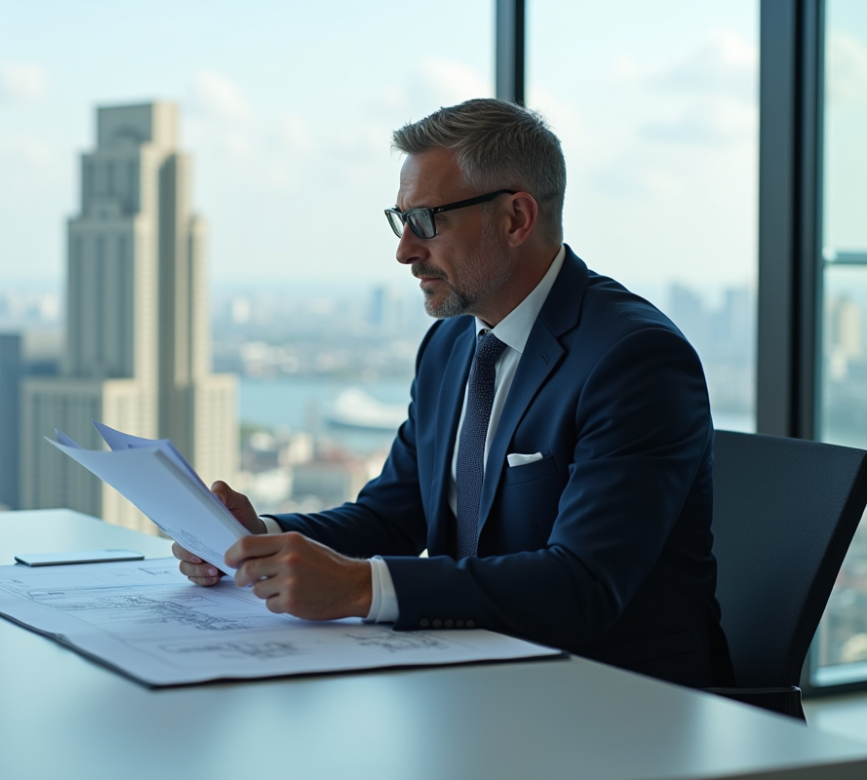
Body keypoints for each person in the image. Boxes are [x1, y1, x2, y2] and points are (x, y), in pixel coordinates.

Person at [174, 98, 733, 688]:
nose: (405, 251)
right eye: (401, 220)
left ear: (516, 218)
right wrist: (254, 541)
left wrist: (361, 587)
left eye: (427, 221)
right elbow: (391, 516)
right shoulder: (450, 346)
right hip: (473, 676)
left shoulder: (632, 359)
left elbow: (584, 585)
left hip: (618, 699)